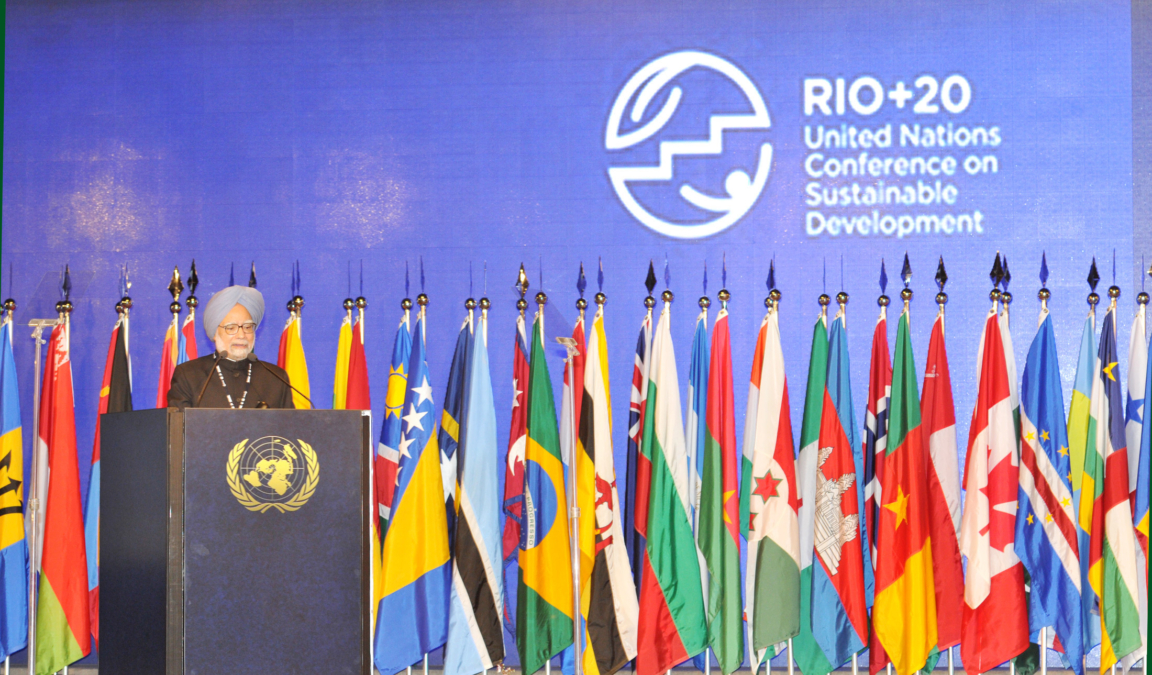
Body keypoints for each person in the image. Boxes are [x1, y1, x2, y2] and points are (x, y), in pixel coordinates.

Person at [167, 285, 295, 409]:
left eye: (248, 327)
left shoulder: (276, 378)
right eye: (231, 328)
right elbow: (178, 427)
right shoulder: (189, 375)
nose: (241, 335)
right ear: (215, 333)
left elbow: (290, 428)